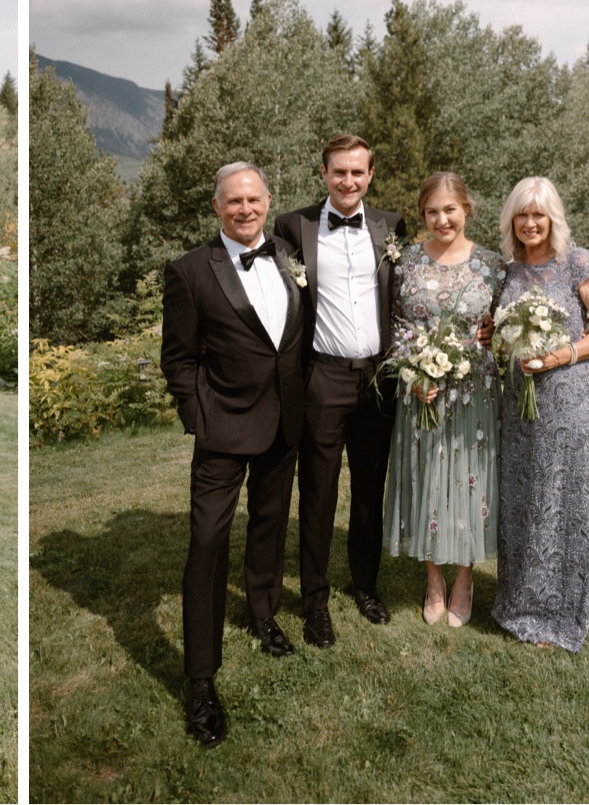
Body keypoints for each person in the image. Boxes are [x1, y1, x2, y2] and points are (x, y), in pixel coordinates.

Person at [160, 162, 305, 748]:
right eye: (233, 202)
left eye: (253, 199)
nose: (245, 210)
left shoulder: (290, 256)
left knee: (270, 527)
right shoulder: (191, 271)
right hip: (221, 430)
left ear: (268, 200)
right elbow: (177, 359)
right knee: (207, 545)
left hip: (284, 422)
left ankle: (264, 615)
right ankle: (201, 679)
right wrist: (200, 417)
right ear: (216, 207)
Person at [272, 135, 407, 646]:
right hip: (322, 379)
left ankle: (366, 586)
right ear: (324, 174)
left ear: (370, 175)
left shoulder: (391, 227)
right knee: (319, 494)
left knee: (370, 491)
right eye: (338, 173)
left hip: (376, 379)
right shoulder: (293, 226)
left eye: (357, 172)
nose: (348, 181)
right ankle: (314, 604)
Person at [492, 177, 589, 651]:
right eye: (522, 215)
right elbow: (499, 335)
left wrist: (560, 355)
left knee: (564, 497)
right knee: (524, 498)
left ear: (553, 218)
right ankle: (521, 597)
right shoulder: (507, 271)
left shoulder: (577, 262)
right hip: (519, 403)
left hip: (568, 398)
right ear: (512, 220)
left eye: (538, 215)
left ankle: (564, 606)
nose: (530, 223)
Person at [381, 172, 505, 626]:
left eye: (449, 209)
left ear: (466, 209)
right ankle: (433, 579)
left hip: (475, 393)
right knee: (427, 477)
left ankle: (464, 579)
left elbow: (504, 322)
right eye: (432, 211)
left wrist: (495, 334)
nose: (441, 219)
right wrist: (412, 372)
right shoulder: (407, 261)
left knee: (470, 478)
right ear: (423, 215)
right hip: (422, 389)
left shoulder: (493, 264)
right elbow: (393, 324)